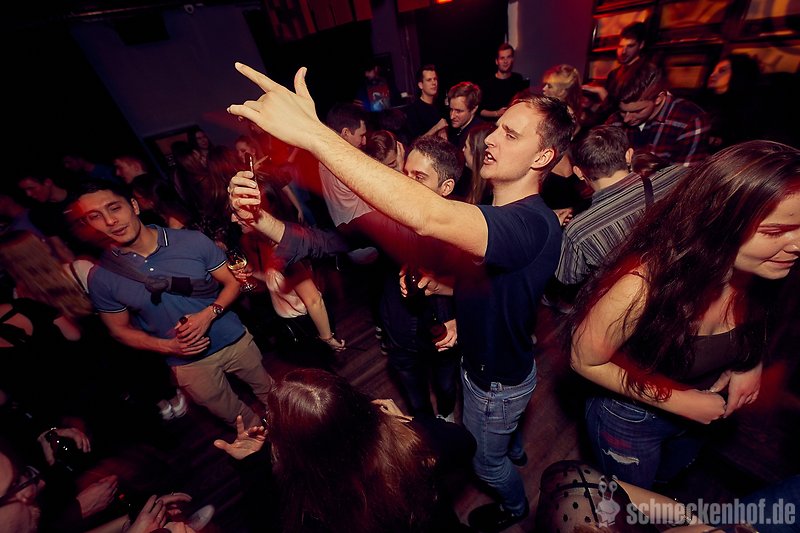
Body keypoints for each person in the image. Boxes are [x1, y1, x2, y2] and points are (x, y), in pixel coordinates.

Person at [226, 62, 574, 532]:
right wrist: (261, 222)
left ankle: (515, 508)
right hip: (486, 363)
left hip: (497, 380)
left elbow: (430, 217)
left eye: (510, 135)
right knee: (497, 435)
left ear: (542, 157)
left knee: (485, 460)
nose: (491, 138)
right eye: (497, 128)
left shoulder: (529, 221)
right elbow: (334, 239)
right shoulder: (488, 217)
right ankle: (510, 443)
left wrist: (312, 134)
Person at [567, 140, 800, 489]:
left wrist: (749, 363)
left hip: (701, 410)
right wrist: (680, 402)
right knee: (633, 502)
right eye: (775, 231)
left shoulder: (766, 269)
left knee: (668, 481)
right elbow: (584, 360)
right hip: (633, 418)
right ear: (718, 220)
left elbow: (755, 320)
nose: (797, 245)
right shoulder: (641, 287)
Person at [67, 179, 275, 430]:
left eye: (114, 208)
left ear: (134, 206)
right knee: (238, 420)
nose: (110, 221)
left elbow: (233, 282)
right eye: (95, 216)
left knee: (273, 397)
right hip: (187, 364)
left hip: (234, 340)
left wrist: (209, 314)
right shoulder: (101, 277)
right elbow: (119, 330)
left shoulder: (191, 241)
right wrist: (168, 346)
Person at [214, 368, 476, 533]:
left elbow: (264, 521)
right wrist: (406, 423)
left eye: (270, 423)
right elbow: (464, 443)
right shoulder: (407, 446)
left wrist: (253, 465)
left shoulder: (301, 501)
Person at [605, 61, 710, 168]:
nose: (626, 119)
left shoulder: (690, 120)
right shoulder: (615, 120)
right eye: (622, 111)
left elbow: (686, 175)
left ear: (658, 99)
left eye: (637, 111)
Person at [698, 53, 761, 150]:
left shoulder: (746, 106)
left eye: (722, 71)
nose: (713, 75)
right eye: (713, 71)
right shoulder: (701, 101)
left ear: (738, 73)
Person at [479, 43, 529, 120]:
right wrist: (496, 113)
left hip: (513, 122)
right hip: (492, 125)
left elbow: (523, 103)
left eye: (508, 57)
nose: (505, 61)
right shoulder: (487, 83)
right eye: (502, 58)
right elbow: (479, 110)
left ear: (512, 59)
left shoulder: (517, 79)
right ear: (497, 61)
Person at [403, 64, 447, 141]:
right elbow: (416, 142)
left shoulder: (439, 105)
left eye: (435, 79)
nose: (434, 83)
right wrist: (437, 128)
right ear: (421, 85)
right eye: (429, 80)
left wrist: (443, 129)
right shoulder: (414, 110)